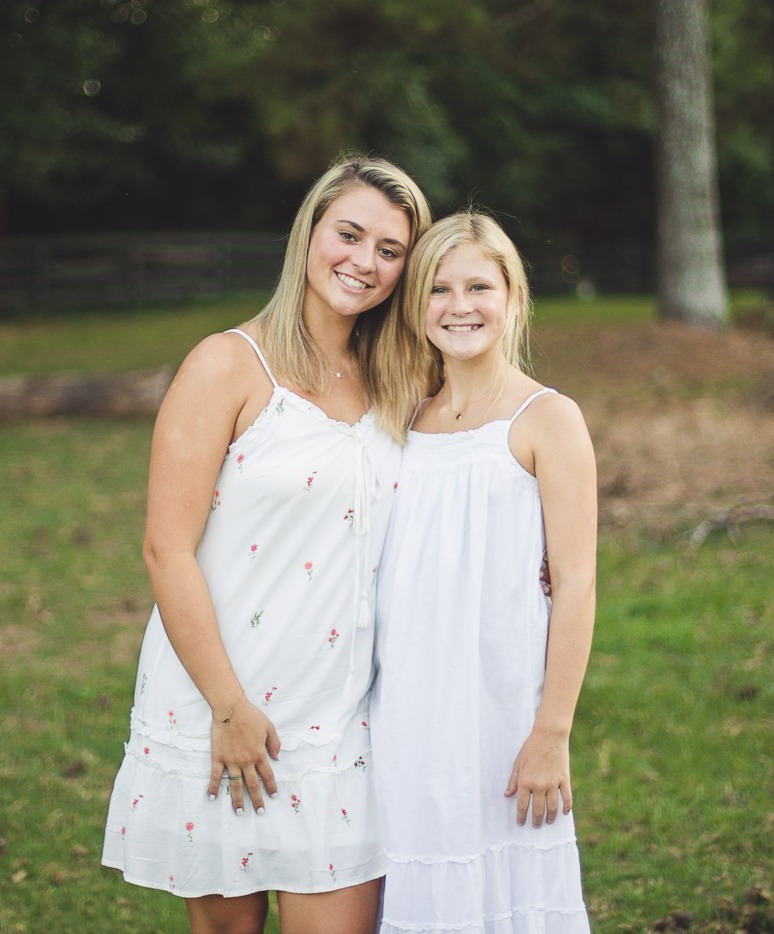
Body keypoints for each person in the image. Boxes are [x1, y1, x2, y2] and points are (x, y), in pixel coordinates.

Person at [101, 155, 433, 934]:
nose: (364, 262)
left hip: (343, 716)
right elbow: (165, 550)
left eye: (390, 251)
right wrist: (228, 708)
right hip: (225, 706)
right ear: (309, 233)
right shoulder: (226, 366)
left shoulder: (400, 377)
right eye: (349, 235)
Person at [370, 210, 597, 932]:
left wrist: (551, 731)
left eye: (478, 286)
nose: (459, 305)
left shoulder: (545, 418)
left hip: (500, 712)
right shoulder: (401, 419)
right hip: (403, 710)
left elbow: (578, 585)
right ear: (415, 306)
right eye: (438, 289)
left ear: (513, 298)